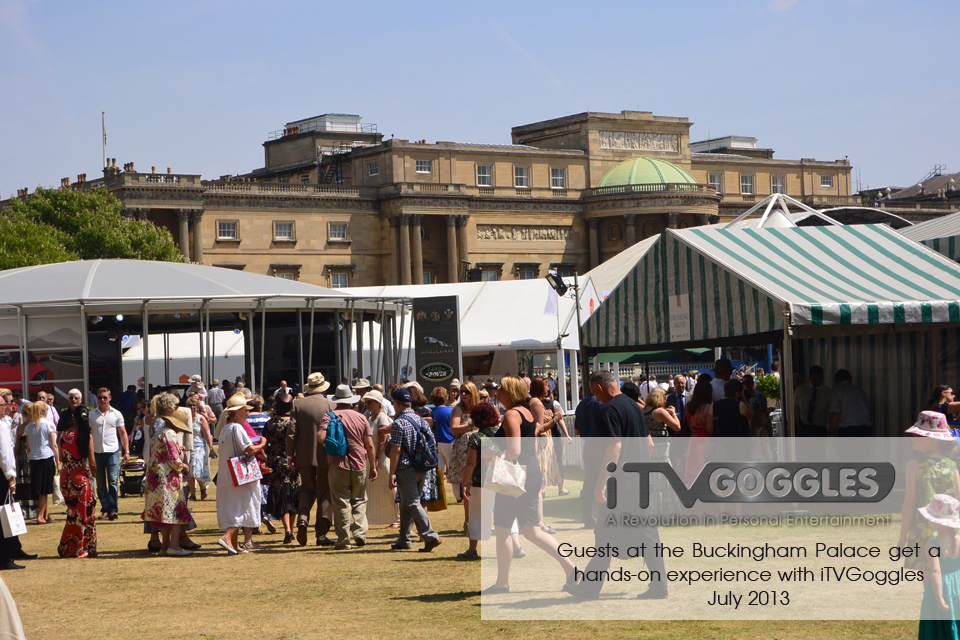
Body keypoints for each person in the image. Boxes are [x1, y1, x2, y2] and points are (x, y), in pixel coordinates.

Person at [565, 370, 667, 600]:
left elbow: (615, 447)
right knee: (648, 535)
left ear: (600, 387)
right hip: (641, 480)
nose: (596, 398)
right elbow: (649, 444)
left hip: (622, 485)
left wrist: (601, 483)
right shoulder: (635, 407)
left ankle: (589, 589)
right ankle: (659, 586)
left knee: (604, 534)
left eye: (595, 393)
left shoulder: (609, 410)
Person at [483, 376, 575, 595]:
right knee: (532, 530)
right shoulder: (526, 412)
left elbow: (514, 450)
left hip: (516, 476)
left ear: (510, 392)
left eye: (501, 389)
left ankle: (502, 584)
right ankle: (572, 569)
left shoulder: (512, 414)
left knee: (503, 529)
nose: (497, 392)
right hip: (531, 472)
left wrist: (494, 456)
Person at [458, 401, 524, 561]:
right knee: (508, 515)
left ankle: (472, 549)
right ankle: (517, 546)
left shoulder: (476, 437)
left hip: (481, 482)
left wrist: (465, 483)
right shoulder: (503, 434)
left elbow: (471, 463)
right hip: (503, 480)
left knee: (477, 515)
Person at [899, 412, 960, 571]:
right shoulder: (953, 467)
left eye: (917, 434)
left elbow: (909, 505)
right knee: (948, 575)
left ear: (933, 439)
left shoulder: (914, 466)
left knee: (929, 579)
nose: (912, 437)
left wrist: (902, 538)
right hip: (949, 533)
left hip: (922, 532)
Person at [320, 385, 376, 550]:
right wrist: (373, 466)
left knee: (341, 502)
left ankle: (344, 540)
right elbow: (370, 445)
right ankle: (360, 534)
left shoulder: (329, 417)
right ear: (351, 401)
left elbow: (320, 436)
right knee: (360, 500)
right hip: (359, 463)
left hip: (338, 463)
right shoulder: (361, 417)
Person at [387, 388, 442, 552]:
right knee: (407, 503)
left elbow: (395, 449)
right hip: (422, 467)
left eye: (393, 403)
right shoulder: (421, 420)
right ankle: (404, 539)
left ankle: (430, 536)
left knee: (412, 502)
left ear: (397, 405)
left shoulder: (398, 423)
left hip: (405, 468)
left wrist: (391, 473)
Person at [287, 372, 337, 547]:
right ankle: (321, 534)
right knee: (325, 493)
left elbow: (291, 433)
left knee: (306, 490)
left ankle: (302, 519)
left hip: (303, 456)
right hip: (326, 455)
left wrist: (290, 455)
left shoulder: (297, 404)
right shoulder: (331, 405)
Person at [216, 395, 268, 554]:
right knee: (243, 505)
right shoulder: (237, 428)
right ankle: (227, 537)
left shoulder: (225, 428)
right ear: (237, 411)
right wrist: (263, 443)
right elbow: (250, 449)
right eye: (245, 410)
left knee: (235, 505)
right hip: (240, 474)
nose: (247, 413)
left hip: (228, 473)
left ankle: (234, 544)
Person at [143, 403, 194, 556]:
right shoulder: (170, 433)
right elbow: (173, 458)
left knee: (163, 513)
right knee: (176, 510)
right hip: (167, 477)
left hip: (154, 476)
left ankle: (164, 547)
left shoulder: (158, 432)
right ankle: (174, 546)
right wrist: (183, 465)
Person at [58, 392, 97, 559]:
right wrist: (93, 475)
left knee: (72, 513)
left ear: (73, 418)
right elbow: (92, 463)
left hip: (66, 476)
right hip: (80, 476)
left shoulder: (64, 436)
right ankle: (81, 548)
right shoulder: (87, 437)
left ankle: (68, 546)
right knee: (84, 514)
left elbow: (61, 458)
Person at [0, 391, 36, 570]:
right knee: (5, 514)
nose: (9, 406)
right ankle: (5, 557)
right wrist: (10, 476)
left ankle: (13, 549)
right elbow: (5, 453)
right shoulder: (1, 425)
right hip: (3, 473)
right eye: (5, 404)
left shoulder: (6, 422)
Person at [917, 494, 960, 635]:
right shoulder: (958, 540)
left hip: (942, 588)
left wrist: (939, 598)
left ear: (938, 522)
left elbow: (935, 572)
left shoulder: (932, 545)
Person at [262, 392, 300, 543]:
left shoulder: (270, 423)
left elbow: (264, 444)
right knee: (294, 494)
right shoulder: (294, 423)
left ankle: (287, 530)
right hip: (294, 461)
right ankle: (292, 529)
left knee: (281, 495)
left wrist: (265, 460)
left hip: (276, 462)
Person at [88, 387, 129, 521]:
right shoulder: (92, 415)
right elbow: (88, 434)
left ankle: (113, 509)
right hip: (97, 452)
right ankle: (105, 509)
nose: (102, 400)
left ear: (110, 398)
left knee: (113, 481)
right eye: (100, 397)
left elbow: (123, 433)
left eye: (105, 397)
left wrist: (126, 451)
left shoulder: (116, 414)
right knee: (100, 483)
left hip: (112, 452)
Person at [361, 390, 398, 527]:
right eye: (366, 402)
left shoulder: (382, 418)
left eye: (370, 402)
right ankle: (372, 518)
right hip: (373, 457)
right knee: (373, 489)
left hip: (382, 458)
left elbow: (382, 440)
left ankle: (398, 519)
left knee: (390, 488)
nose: (367, 404)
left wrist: (376, 459)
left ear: (378, 403)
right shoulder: (370, 418)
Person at [530, 377, 561, 533]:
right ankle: (539, 521)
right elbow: (539, 428)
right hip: (540, 446)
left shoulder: (540, 402)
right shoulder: (536, 403)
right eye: (546, 385)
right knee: (539, 485)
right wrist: (555, 419)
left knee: (541, 485)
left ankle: (537, 520)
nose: (548, 388)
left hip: (545, 445)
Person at [23, 402, 58, 525]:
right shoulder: (48, 424)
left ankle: (46, 514)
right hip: (46, 458)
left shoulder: (28, 427)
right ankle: (40, 516)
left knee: (41, 488)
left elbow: (28, 447)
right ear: (44, 411)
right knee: (44, 490)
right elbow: (54, 445)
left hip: (34, 459)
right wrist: (58, 461)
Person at [574, 391, 603, 529]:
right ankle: (604, 515)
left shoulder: (582, 404)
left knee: (589, 482)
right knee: (604, 479)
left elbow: (576, 431)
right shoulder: (602, 404)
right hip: (602, 446)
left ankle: (588, 517)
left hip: (588, 445)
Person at [684, 375, 714, 484]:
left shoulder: (689, 407)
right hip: (705, 440)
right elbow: (710, 428)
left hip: (692, 440)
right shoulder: (708, 407)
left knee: (693, 469)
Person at [184, 396, 214, 501]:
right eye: (190, 405)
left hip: (199, 447)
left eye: (194, 405)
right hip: (187, 447)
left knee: (195, 469)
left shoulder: (201, 418)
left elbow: (207, 434)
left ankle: (202, 488)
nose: (192, 407)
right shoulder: (185, 419)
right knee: (189, 471)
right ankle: (193, 494)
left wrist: (211, 448)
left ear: (197, 407)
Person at [828, 369, 873, 437]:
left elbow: (834, 413)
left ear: (836, 381)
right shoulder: (860, 391)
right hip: (865, 429)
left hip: (848, 430)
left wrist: (831, 431)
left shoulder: (836, 391)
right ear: (850, 379)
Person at [794, 365, 836, 438]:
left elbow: (830, 412)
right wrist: (796, 424)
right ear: (810, 378)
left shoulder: (827, 392)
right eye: (815, 380)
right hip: (804, 428)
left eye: (819, 380)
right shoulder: (801, 390)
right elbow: (795, 408)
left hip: (820, 429)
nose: (817, 383)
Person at [547, 389, 572, 496]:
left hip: (542, 437)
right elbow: (560, 419)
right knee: (558, 462)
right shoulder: (554, 404)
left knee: (542, 462)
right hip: (553, 436)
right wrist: (567, 435)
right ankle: (561, 488)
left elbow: (560, 419)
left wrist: (567, 435)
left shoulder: (533, 403)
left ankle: (542, 490)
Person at [431, 387, 453, 472]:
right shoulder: (450, 411)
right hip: (448, 441)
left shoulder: (431, 412)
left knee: (439, 467)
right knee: (451, 466)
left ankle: (440, 481)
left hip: (436, 443)